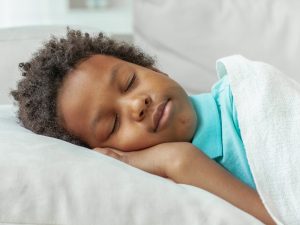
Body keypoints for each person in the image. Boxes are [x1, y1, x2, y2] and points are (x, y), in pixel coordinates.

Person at [11, 29, 275, 224]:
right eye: (113, 123)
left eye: (130, 82)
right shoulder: (168, 187)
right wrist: (176, 161)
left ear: (153, 69)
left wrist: (181, 160)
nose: (137, 104)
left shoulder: (242, 96)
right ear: (104, 153)